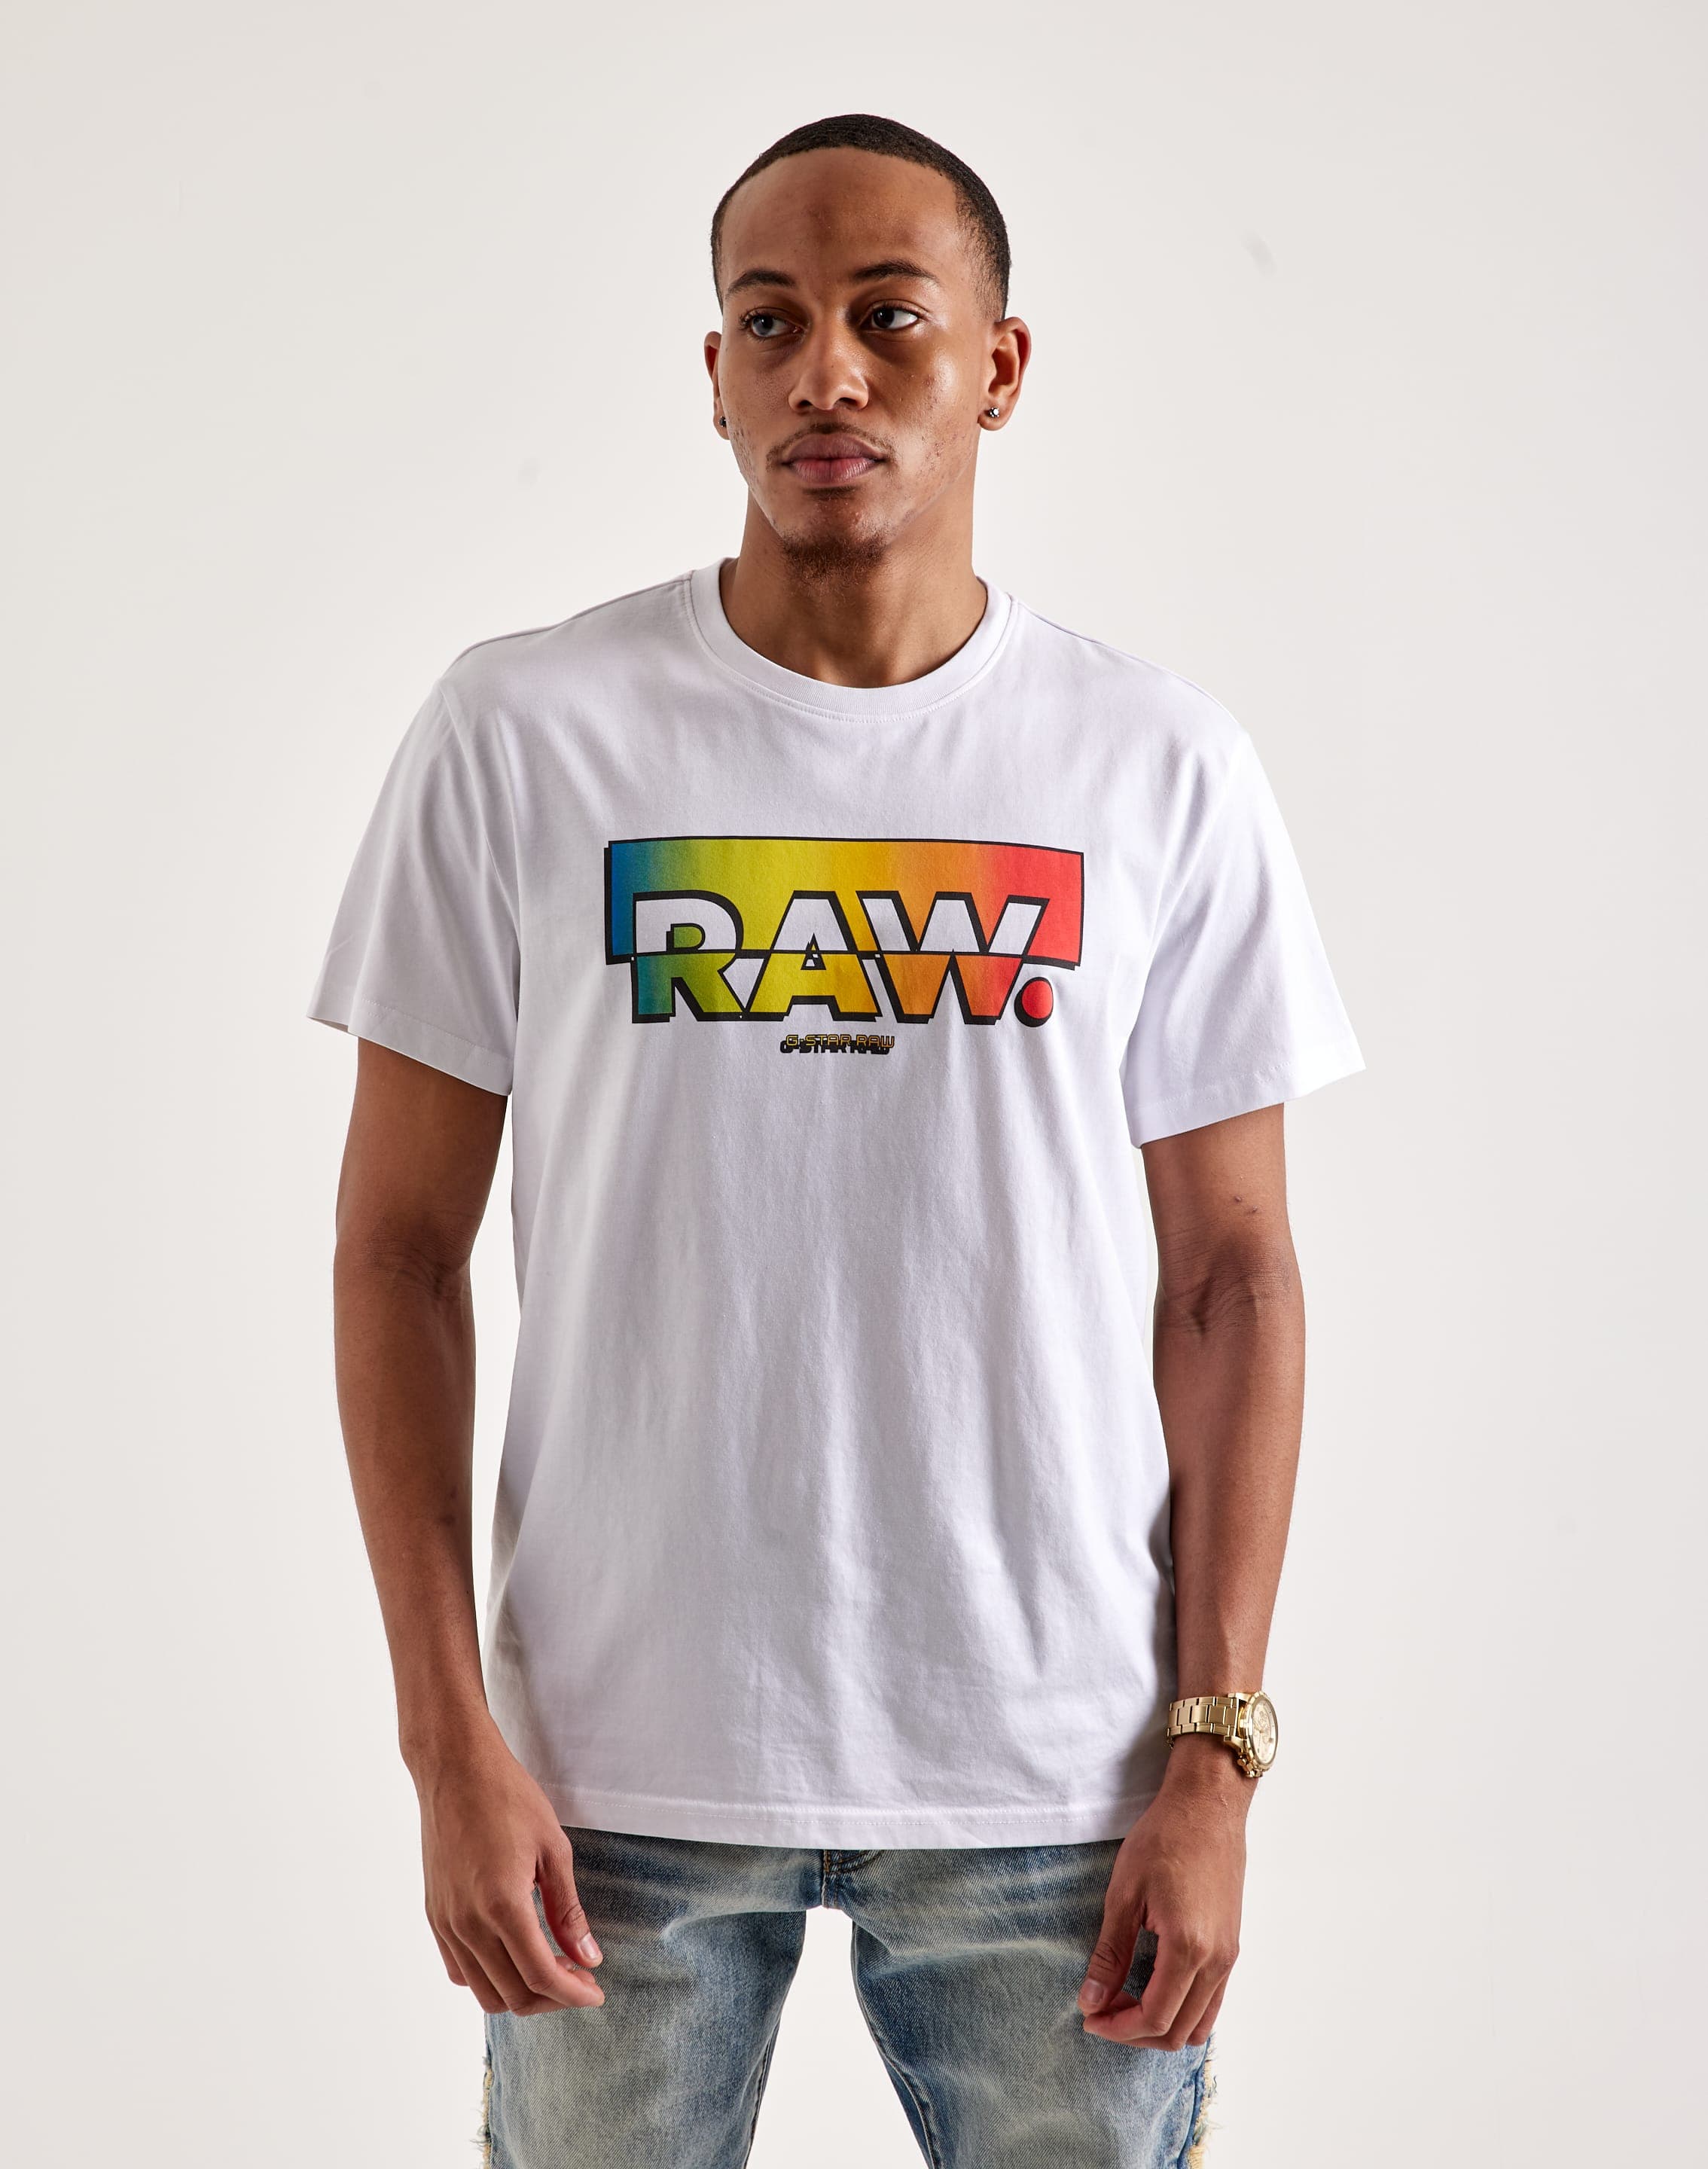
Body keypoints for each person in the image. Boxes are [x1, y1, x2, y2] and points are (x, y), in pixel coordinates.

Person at [308, 111, 1363, 2169]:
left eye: (890, 317)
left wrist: (1216, 1757)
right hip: (605, 1780)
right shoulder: (525, 734)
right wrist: (447, 1741)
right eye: (771, 322)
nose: (829, 375)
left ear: (998, 366)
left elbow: (1235, 1276)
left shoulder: (1153, 763)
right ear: (713, 372)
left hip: (1055, 1773)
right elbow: (395, 1257)